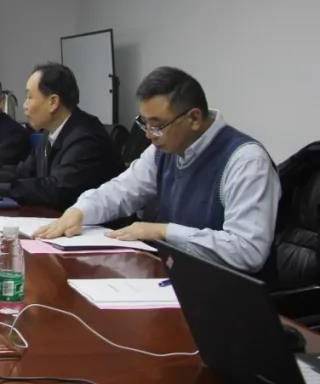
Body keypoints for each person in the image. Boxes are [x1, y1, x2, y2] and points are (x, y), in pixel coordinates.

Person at [35, 67, 280, 276]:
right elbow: (122, 190)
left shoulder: (246, 161)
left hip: (228, 296)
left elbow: (248, 251)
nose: (149, 135)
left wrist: (163, 231)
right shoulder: (164, 150)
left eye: (158, 125)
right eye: (145, 123)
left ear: (194, 118)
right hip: (176, 277)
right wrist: (80, 211)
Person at [0, 63, 123, 212]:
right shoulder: (49, 133)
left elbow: (56, 189)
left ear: (53, 102)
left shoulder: (86, 137)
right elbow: (23, 172)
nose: (25, 106)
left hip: (100, 230)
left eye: (29, 97)